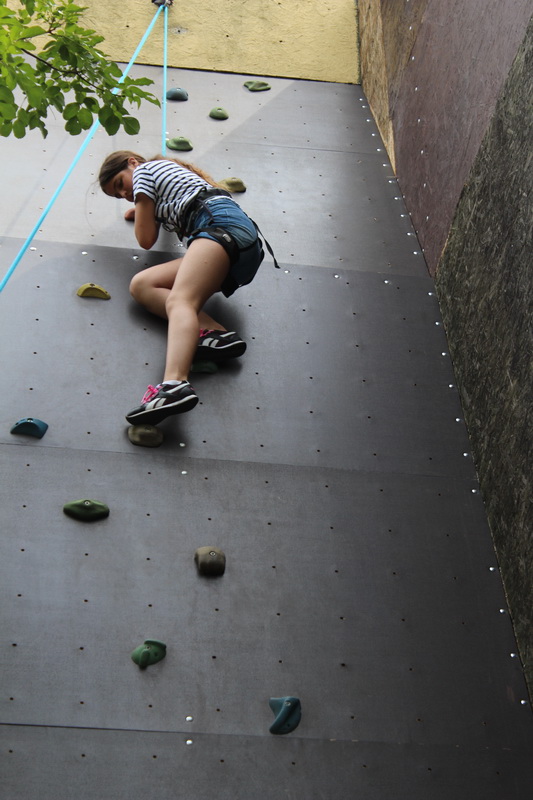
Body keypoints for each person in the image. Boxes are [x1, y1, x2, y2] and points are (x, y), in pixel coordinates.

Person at [98, 150, 266, 426]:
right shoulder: (167, 179)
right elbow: (168, 211)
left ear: (132, 162)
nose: (124, 194)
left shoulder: (144, 172)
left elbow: (145, 238)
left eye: (119, 184)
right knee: (142, 285)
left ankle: (174, 385)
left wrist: (142, 209)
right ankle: (215, 334)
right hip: (237, 247)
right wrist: (143, 209)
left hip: (220, 230)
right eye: (118, 196)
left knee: (180, 301)